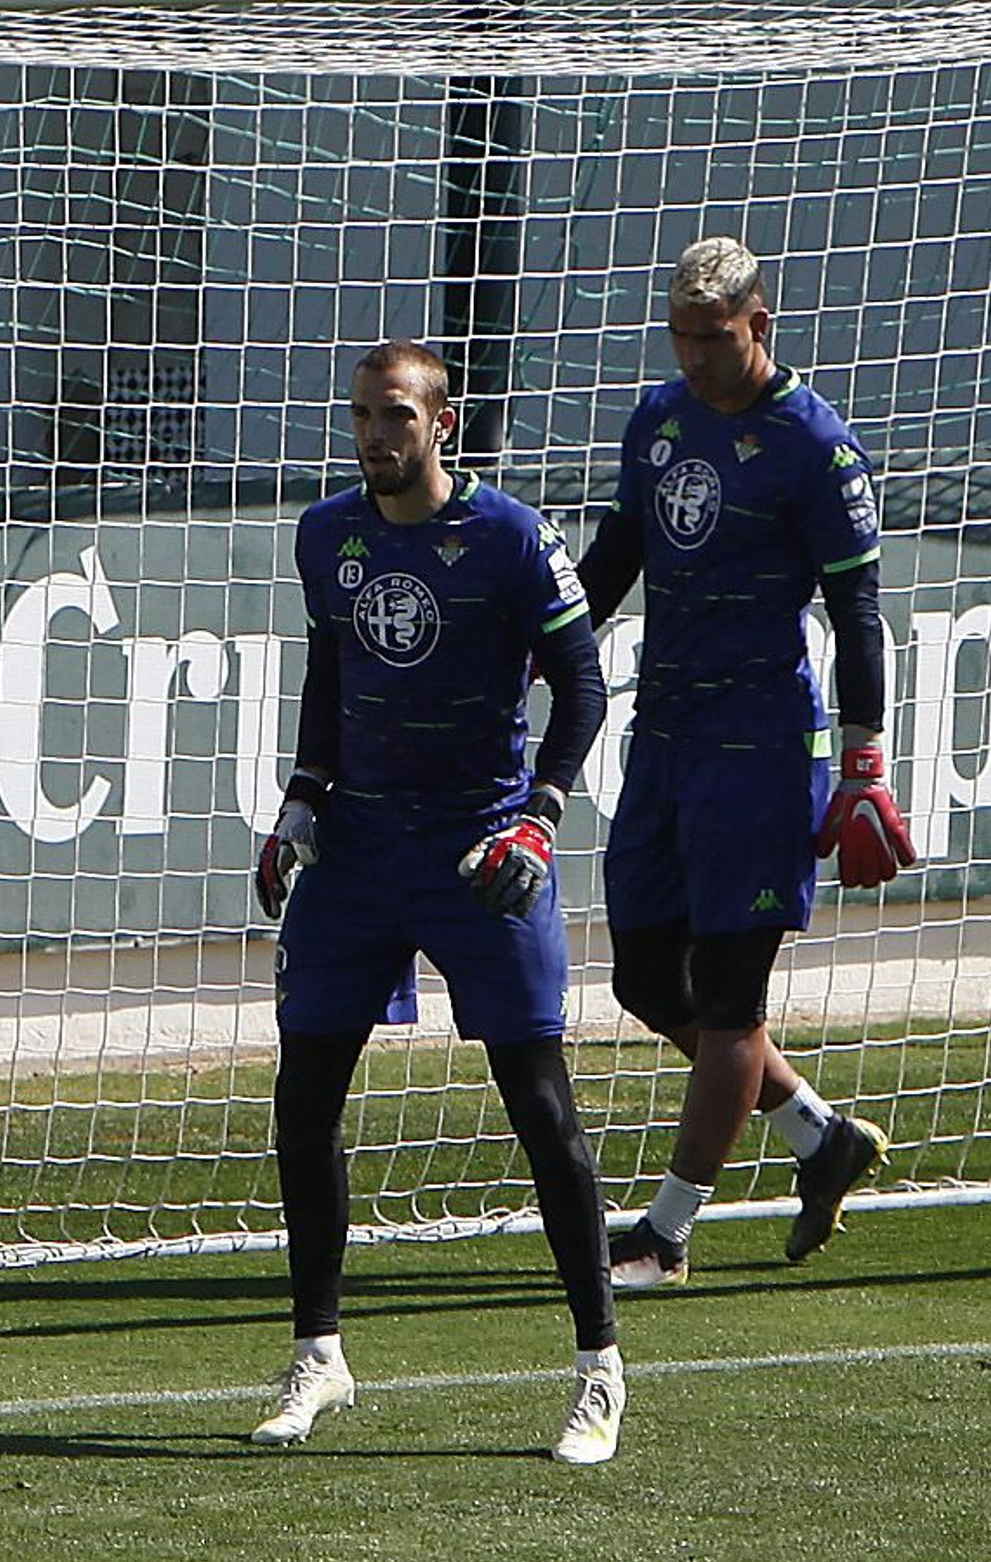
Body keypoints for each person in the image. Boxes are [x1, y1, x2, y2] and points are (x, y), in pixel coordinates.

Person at [250, 340, 625, 1465]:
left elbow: (585, 687)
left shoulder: (508, 537)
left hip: (480, 852)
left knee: (539, 1106)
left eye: (397, 415)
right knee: (304, 1089)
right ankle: (318, 1353)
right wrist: (301, 803)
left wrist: (539, 816)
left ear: (442, 424)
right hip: (359, 854)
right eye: (363, 414)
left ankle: (599, 1367)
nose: (376, 434)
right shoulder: (327, 536)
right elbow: (330, 679)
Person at [576, 237, 916, 1289]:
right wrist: (542, 655)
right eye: (680, 337)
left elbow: (856, 607)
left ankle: (667, 1233)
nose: (694, 357)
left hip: (760, 753)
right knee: (643, 977)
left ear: (757, 326)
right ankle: (820, 1138)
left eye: (712, 339)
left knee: (730, 1000)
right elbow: (616, 556)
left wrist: (864, 755)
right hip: (664, 740)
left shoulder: (814, 445)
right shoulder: (659, 420)